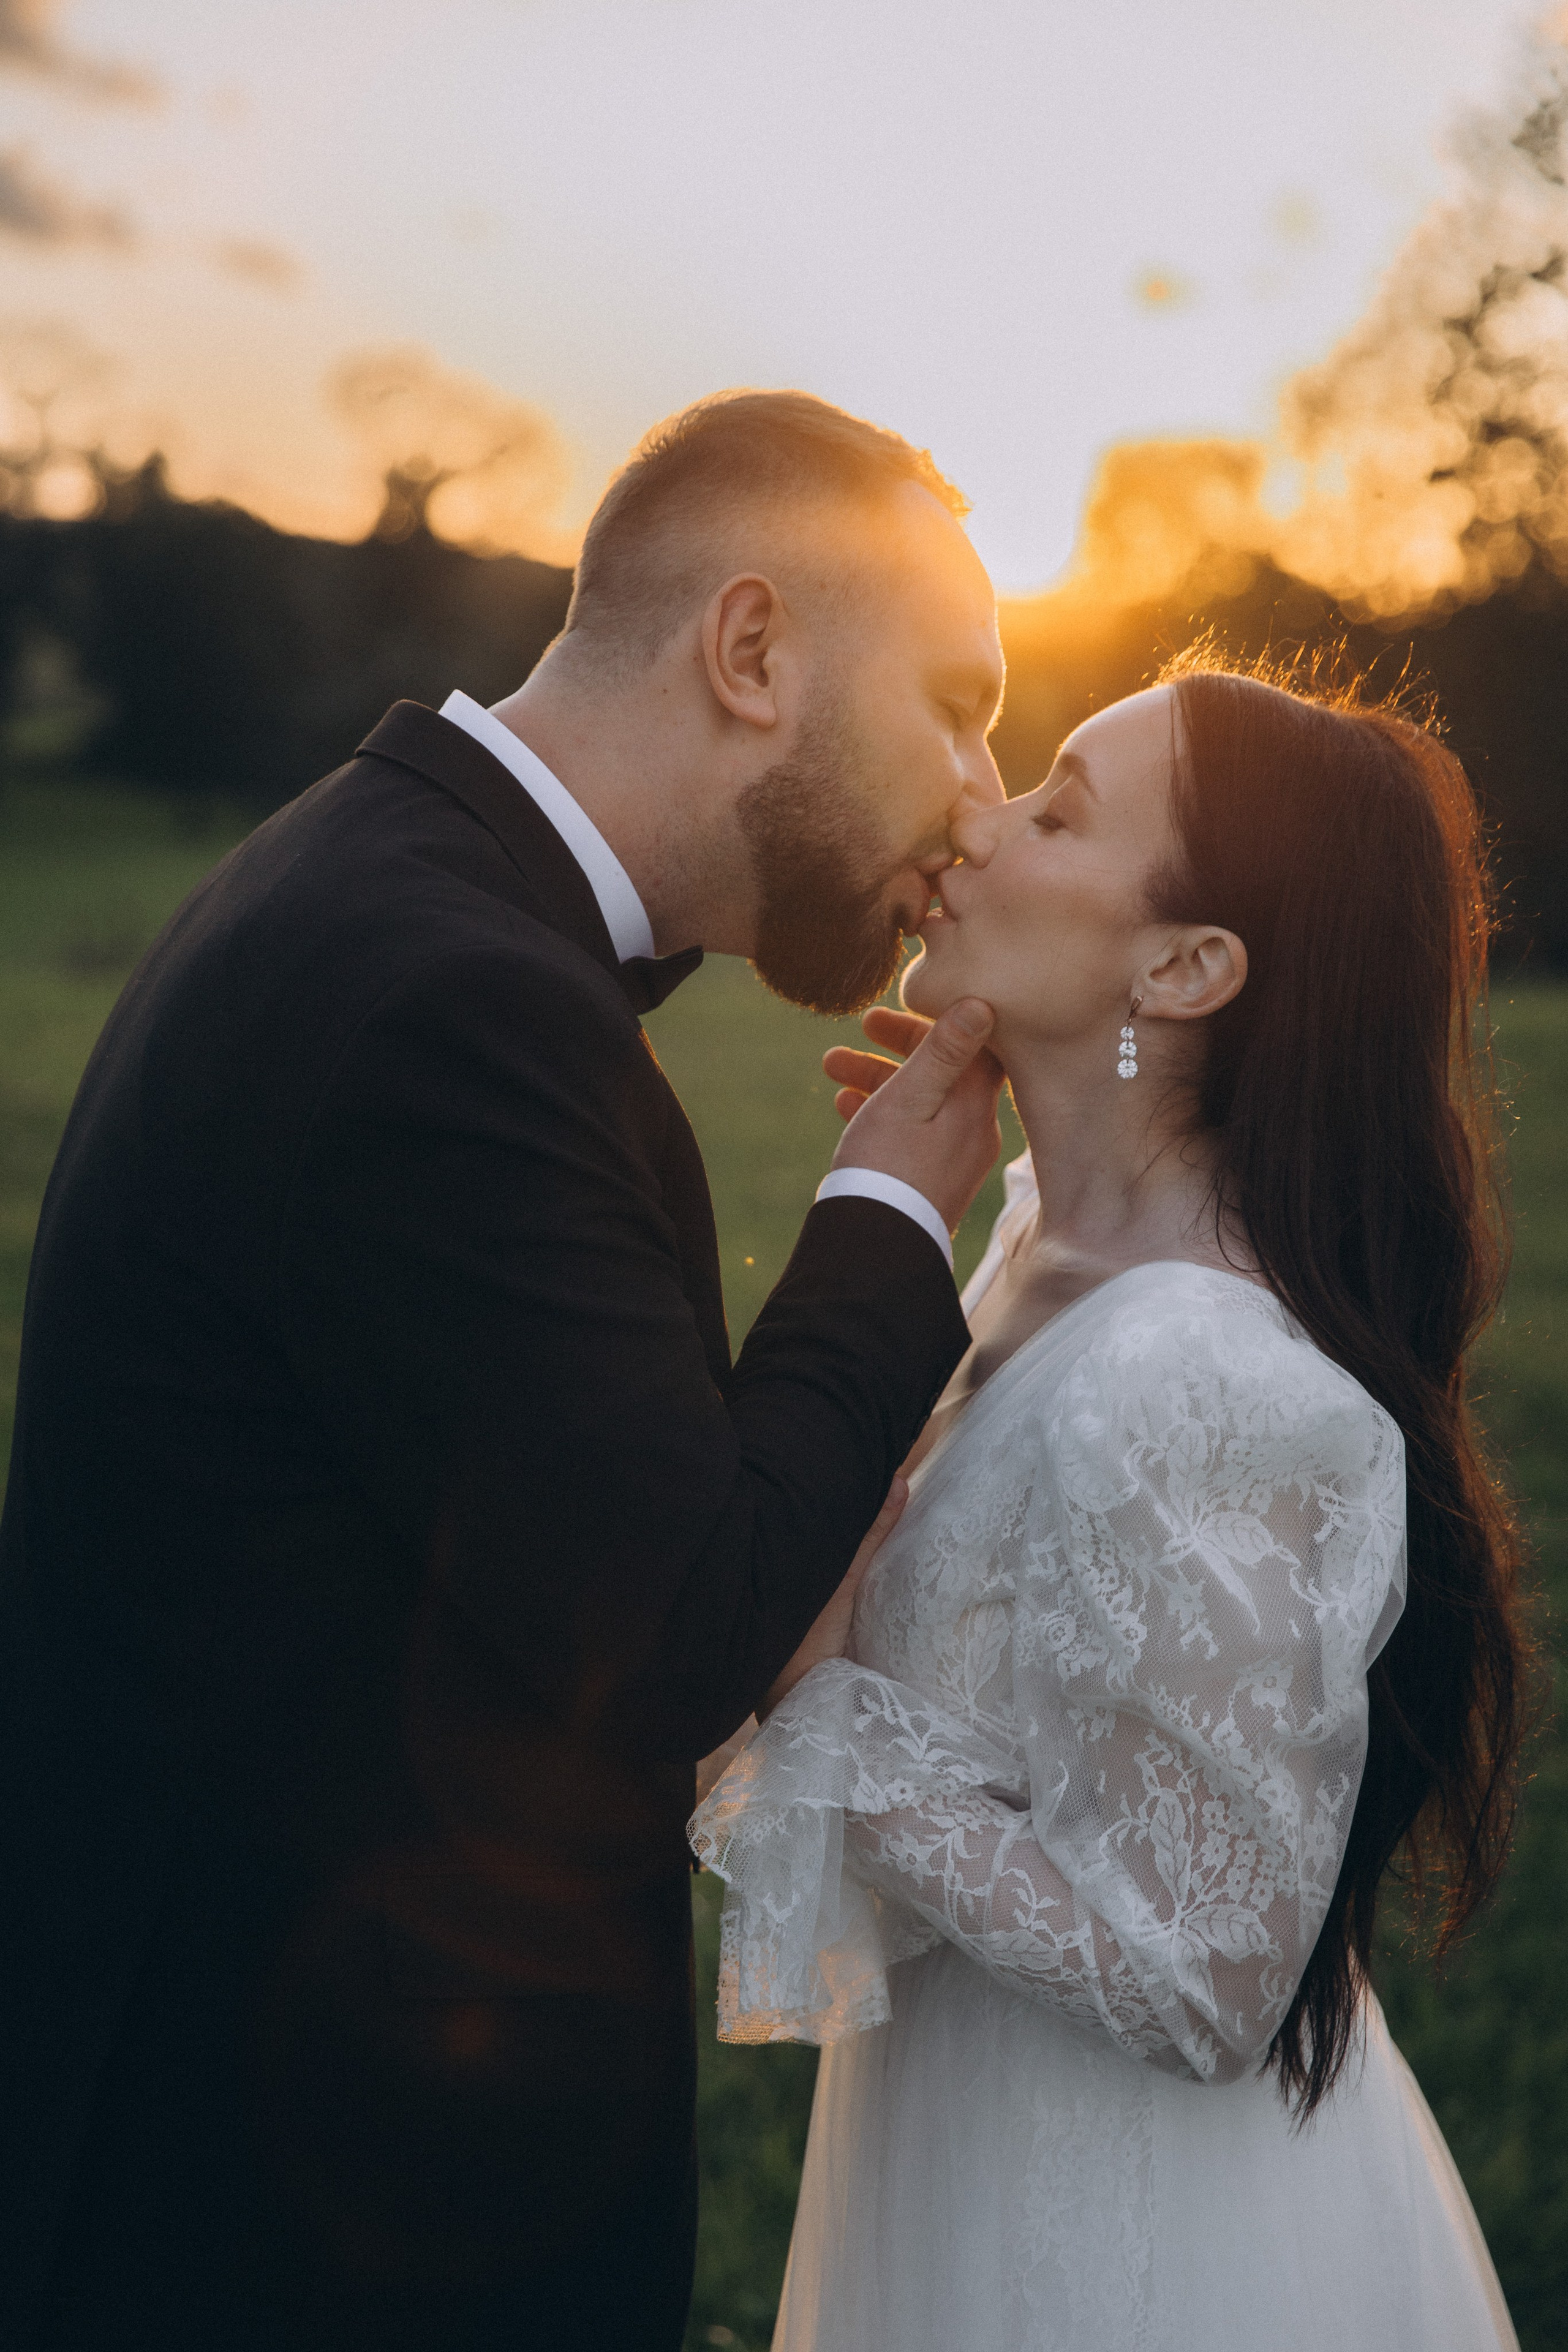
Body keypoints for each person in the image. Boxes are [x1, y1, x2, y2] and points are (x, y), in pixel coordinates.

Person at [0, 390, 1011, 2351]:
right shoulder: (452, 996)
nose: (982, 789)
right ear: (749, 650)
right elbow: (677, 1621)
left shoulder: (391, 888)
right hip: (289, 2215)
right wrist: (888, 1211)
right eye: (956, 702)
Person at [693, 657, 1529, 2351]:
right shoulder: (1021, 1236)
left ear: (1188, 964)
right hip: (953, 2149)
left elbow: (1209, 1976)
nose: (974, 823)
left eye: (1058, 809)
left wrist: (816, 1716)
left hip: (1134, 2247)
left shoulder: (1201, 1378)